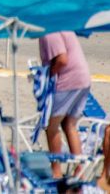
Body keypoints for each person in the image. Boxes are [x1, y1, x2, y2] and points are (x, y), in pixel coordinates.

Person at [39, 31, 92, 179]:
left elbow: (62, 59)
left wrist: (49, 75)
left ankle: (56, 170)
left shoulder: (49, 31)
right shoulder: (62, 24)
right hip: (83, 78)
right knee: (69, 125)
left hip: (69, 80)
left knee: (52, 126)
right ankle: (79, 171)